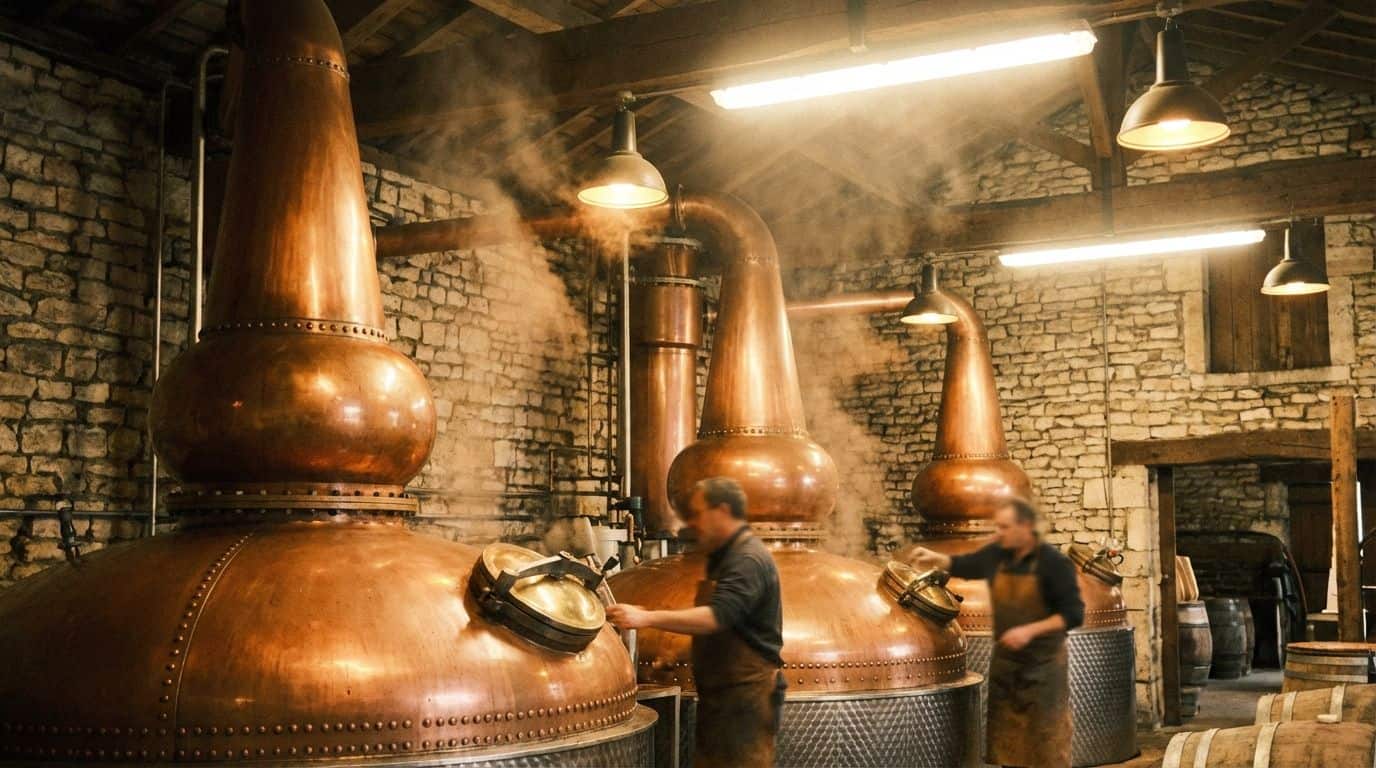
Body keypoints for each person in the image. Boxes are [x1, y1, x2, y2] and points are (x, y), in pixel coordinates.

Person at [606, 477, 785, 768]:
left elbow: (717, 617)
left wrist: (646, 617)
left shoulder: (747, 559)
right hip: (724, 696)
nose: (693, 523)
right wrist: (677, 654)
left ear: (723, 511)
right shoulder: (725, 556)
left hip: (745, 700)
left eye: (699, 514)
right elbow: (735, 626)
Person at [909, 498, 1084, 768]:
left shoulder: (1053, 563)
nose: (998, 533)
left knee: (1045, 745)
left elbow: (1072, 613)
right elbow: (967, 565)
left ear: (1025, 527)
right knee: (1008, 747)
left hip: (1043, 668)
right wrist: (937, 558)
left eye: (1004, 527)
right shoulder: (998, 555)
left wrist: (1029, 630)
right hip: (1007, 665)